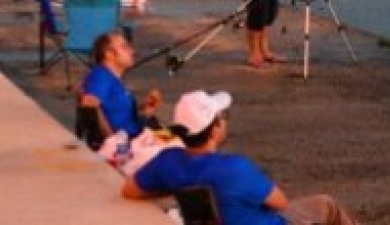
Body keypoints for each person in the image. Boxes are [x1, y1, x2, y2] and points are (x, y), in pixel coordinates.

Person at [123, 90, 357, 225]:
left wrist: (174, 188)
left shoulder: (168, 161)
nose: (225, 121)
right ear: (214, 130)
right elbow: (280, 203)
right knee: (327, 205)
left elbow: (130, 190)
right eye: (221, 117)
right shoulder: (235, 168)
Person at [80, 31, 163, 143]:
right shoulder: (101, 76)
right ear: (109, 54)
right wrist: (114, 142)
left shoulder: (112, 78)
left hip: (136, 135)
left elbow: (115, 111)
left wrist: (144, 110)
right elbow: (90, 105)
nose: (132, 51)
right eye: (124, 47)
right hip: (127, 144)